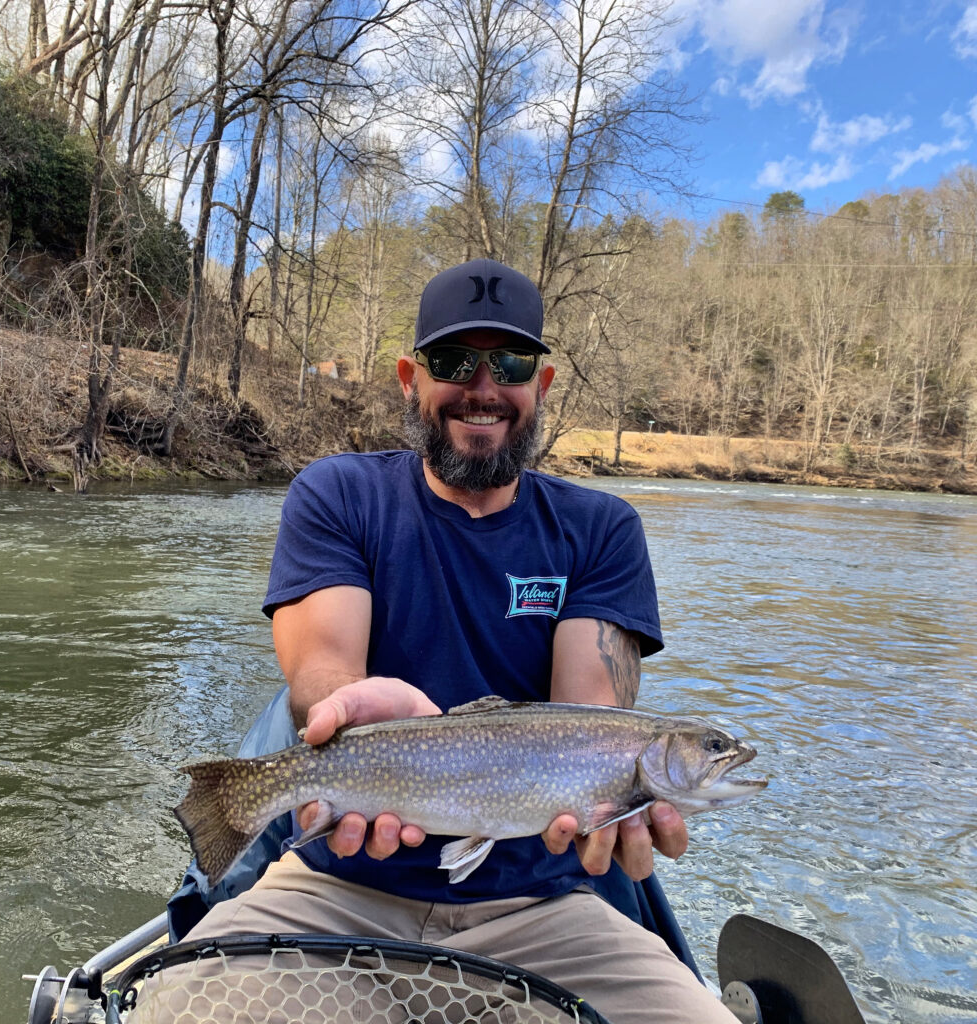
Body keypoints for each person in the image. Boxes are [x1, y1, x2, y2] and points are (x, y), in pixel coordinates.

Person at [175, 259, 739, 1023]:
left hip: (545, 908)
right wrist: (351, 707)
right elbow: (323, 672)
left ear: (539, 388)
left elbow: (589, 711)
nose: (482, 387)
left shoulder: (602, 529)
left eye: (508, 363)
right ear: (411, 378)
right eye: (452, 362)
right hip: (338, 889)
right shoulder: (339, 495)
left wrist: (620, 812)